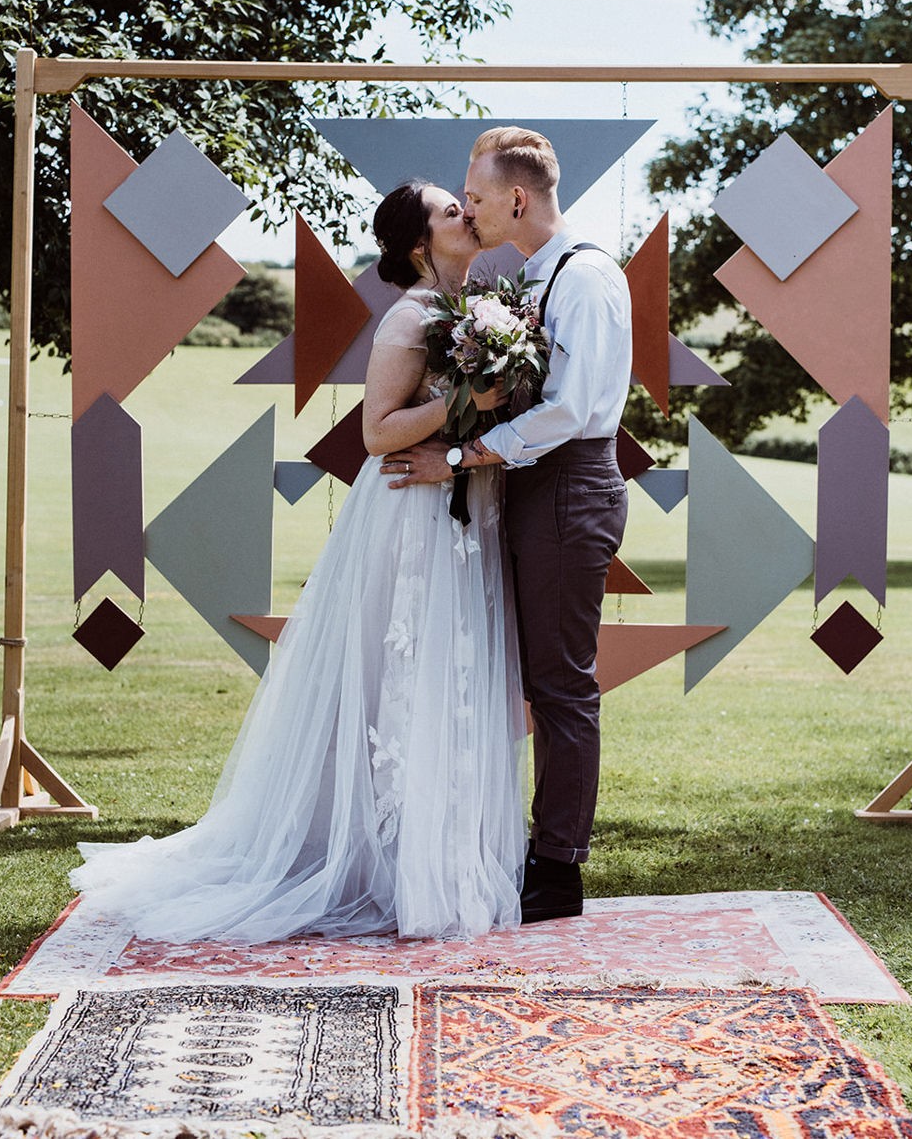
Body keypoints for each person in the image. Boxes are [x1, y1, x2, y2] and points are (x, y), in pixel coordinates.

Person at [71, 181, 526, 943]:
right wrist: (467, 406)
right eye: (451, 210)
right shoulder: (411, 318)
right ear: (420, 243)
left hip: (464, 505)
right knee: (398, 677)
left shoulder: (476, 311)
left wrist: (491, 401)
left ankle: (441, 852)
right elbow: (379, 433)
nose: (466, 214)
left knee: (454, 674)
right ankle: (376, 856)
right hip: (410, 515)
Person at [382, 127, 631, 924]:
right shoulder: (530, 279)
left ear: (516, 199)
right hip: (525, 488)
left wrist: (457, 461)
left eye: (479, 197)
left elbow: (571, 410)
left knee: (560, 686)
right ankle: (505, 849)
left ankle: (557, 870)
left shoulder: (585, 278)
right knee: (523, 680)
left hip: (567, 486)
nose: (473, 209)